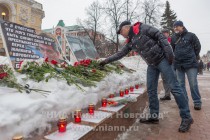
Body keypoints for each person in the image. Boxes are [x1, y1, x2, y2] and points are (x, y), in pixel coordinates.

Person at [100, 21, 193, 132]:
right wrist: (106, 61)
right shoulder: (130, 42)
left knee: (175, 88)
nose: (121, 34)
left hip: (163, 60)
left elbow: (159, 35)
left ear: (125, 28)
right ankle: (154, 116)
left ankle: (186, 117)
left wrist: (169, 53)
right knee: (151, 90)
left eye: (121, 32)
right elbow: (120, 53)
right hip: (152, 65)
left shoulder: (142, 28)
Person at [171, 21, 202, 110]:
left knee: (193, 84)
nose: (175, 28)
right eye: (174, 27)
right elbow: (172, 49)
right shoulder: (173, 38)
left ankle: (197, 102)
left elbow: (198, 46)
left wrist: (193, 56)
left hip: (191, 64)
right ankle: (184, 102)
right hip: (178, 64)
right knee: (180, 85)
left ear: (182, 27)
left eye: (177, 26)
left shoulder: (191, 35)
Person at [160, 29, 172, 100]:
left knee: (174, 79)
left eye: (166, 33)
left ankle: (178, 96)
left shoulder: (172, 40)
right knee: (164, 79)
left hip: (172, 63)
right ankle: (167, 95)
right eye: (163, 33)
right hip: (163, 62)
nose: (165, 34)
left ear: (168, 34)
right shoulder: (159, 41)